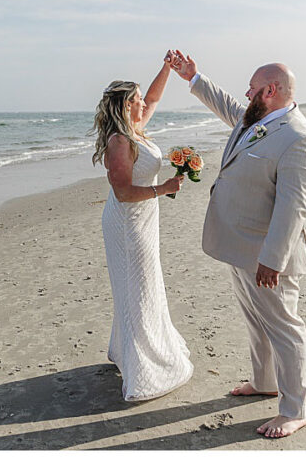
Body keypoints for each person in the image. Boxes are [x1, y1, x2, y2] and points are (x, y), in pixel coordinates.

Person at [169, 50, 306, 439]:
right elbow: (228, 105)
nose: (246, 94)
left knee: (284, 328)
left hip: (269, 254)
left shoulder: (298, 138)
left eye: (252, 89)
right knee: (257, 322)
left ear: (270, 91)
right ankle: (265, 381)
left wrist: (272, 260)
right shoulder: (258, 118)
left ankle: (294, 409)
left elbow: (294, 208)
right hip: (240, 245)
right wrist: (194, 76)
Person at [91, 54, 192, 401]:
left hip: (145, 219)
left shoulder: (136, 128)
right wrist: (162, 189)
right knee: (138, 288)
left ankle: (123, 348)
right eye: (135, 100)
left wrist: (167, 68)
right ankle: (141, 366)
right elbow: (122, 192)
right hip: (127, 224)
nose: (142, 103)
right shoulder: (120, 141)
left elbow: (154, 98)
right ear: (124, 107)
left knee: (144, 286)